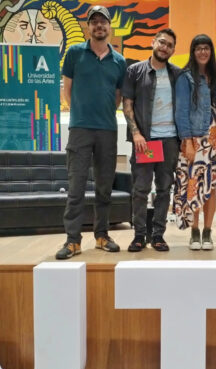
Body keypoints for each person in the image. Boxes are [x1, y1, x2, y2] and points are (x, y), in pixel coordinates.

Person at [55, 5, 127, 259]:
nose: (99, 26)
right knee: (75, 188)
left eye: (103, 22)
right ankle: (72, 240)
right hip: (80, 129)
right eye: (94, 22)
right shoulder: (75, 53)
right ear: (88, 27)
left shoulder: (119, 61)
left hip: (107, 130)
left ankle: (102, 235)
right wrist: (82, 113)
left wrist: (102, 113)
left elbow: (117, 97)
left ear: (109, 27)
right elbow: (67, 91)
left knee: (104, 188)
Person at [122, 28, 181, 252]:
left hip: (170, 141)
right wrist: (136, 133)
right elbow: (127, 104)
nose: (165, 47)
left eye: (170, 45)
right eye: (162, 42)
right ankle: (139, 235)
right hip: (146, 141)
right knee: (140, 190)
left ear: (173, 50)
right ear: (153, 42)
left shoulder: (177, 74)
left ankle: (158, 235)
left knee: (164, 189)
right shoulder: (135, 71)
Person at [174, 34, 216, 250]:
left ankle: (208, 232)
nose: (203, 52)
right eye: (199, 48)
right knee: (194, 185)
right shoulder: (185, 77)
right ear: (193, 52)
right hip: (195, 138)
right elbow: (181, 112)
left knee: (211, 185)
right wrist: (187, 141)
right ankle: (194, 232)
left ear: (211, 52)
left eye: (206, 48)